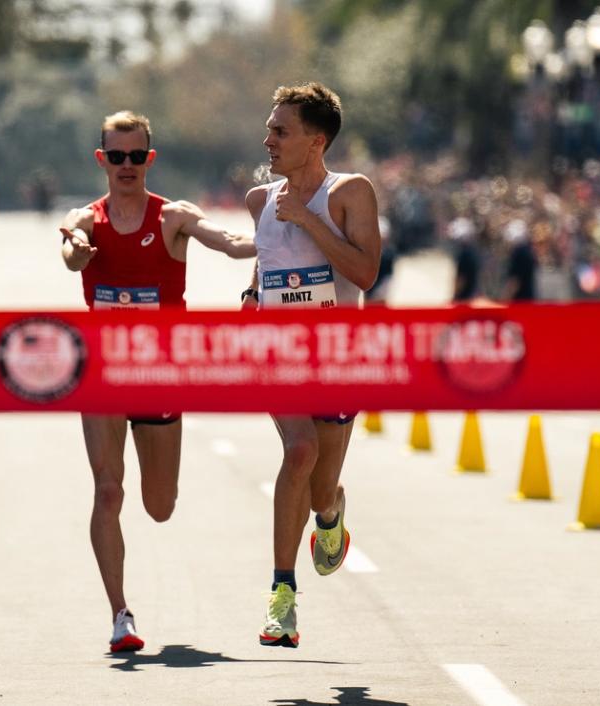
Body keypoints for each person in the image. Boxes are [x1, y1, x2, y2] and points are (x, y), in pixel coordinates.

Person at [58, 110, 255, 653]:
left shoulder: (173, 218)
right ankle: (120, 615)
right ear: (102, 160)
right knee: (107, 488)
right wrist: (77, 249)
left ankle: (130, 590)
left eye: (136, 156)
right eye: (116, 156)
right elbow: (72, 253)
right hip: (102, 371)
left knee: (159, 504)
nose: (127, 166)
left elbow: (232, 242)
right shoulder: (89, 220)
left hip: (160, 373)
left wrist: (287, 236)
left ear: (150, 158)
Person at [240, 83, 381, 648]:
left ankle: (331, 514)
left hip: (338, 358)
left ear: (315, 141)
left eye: (281, 131)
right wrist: (251, 294)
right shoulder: (258, 201)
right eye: (270, 128)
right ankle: (282, 596)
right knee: (298, 452)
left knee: (320, 486)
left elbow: (366, 273)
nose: (268, 139)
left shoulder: (350, 193)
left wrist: (306, 218)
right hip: (281, 355)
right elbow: (269, 266)